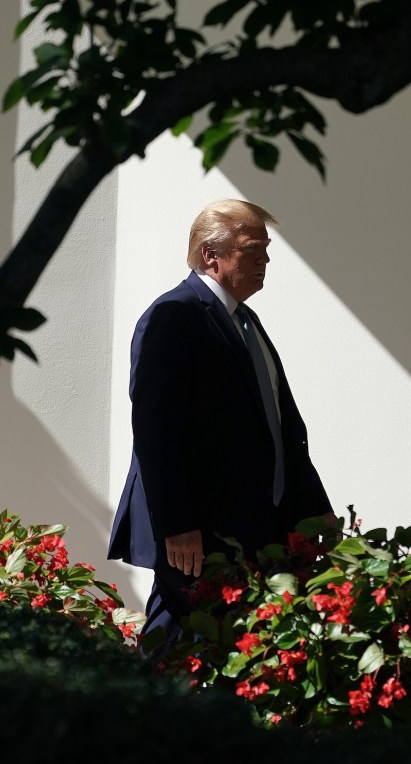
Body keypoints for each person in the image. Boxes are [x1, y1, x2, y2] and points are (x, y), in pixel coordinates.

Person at [108, 198, 335, 651]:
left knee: (220, 649)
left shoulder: (247, 323)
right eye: (253, 249)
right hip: (196, 532)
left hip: (249, 526)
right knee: (176, 644)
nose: (265, 260)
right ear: (211, 254)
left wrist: (316, 508)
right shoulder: (175, 315)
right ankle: (132, 720)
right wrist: (176, 525)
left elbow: (283, 431)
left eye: (266, 249)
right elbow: (156, 432)